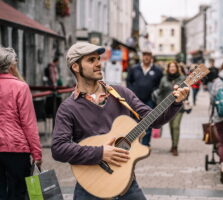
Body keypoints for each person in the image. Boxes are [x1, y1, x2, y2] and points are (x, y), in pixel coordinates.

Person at [51, 42, 189, 200]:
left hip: (126, 183)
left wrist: (176, 103)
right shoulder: (68, 107)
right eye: (91, 60)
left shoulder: (120, 93)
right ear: (75, 67)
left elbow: (153, 120)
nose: (98, 64)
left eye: (98, 59)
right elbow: (58, 148)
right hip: (90, 185)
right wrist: (100, 153)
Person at [0, 47, 42, 200]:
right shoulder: (20, 87)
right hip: (16, 148)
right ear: (11, 65)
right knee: (18, 193)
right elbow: (29, 124)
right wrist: (37, 153)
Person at [126, 50, 163, 146]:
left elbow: (160, 85)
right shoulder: (134, 69)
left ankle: (145, 144)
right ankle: (135, 143)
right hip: (135, 100)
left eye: (148, 55)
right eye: (144, 55)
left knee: (148, 121)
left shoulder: (157, 70)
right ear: (142, 57)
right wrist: (131, 92)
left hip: (150, 100)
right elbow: (128, 81)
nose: (146, 57)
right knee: (135, 122)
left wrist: (156, 92)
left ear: (151, 57)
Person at [155, 61, 185, 156]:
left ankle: (175, 147)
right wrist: (158, 106)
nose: (172, 68)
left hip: (179, 106)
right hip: (167, 107)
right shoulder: (163, 79)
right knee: (171, 126)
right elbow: (160, 93)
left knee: (176, 126)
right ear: (168, 68)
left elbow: (186, 92)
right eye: (170, 67)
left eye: (174, 67)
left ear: (177, 68)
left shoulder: (182, 78)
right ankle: (173, 144)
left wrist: (185, 99)